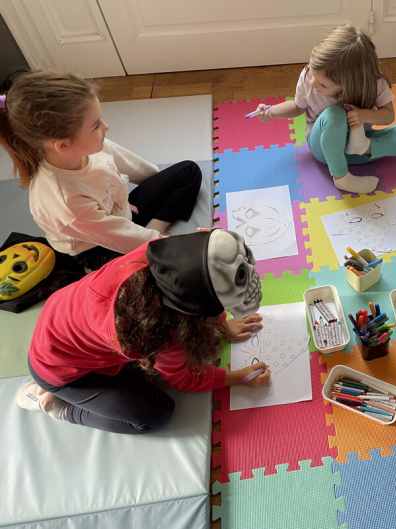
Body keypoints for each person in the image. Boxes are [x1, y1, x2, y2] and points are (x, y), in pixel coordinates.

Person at [16, 230, 268, 434]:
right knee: (154, 415)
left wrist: (225, 325)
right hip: (57, 370)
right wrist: (235, 378)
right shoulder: (162, 337)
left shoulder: (161, 252)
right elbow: (184, 378)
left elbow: (198, 289)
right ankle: (58, 407)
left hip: (62, 320)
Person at [0, 71, 203, 271]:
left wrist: (158, 187)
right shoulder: (65, 202)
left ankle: (152, 231)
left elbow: (135, 166)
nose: (106, 127)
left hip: (120, 213)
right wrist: (171, 246)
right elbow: (116, 234)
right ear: (63, 146)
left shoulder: (88, 146)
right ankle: (149, 242)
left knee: (188, 171)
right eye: (96, 125)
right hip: (97, 247)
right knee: (152, 274)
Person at [256, 24, 396, 194]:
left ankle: (365, 147)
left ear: (348, 84)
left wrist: (365, 116)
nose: (313, 84)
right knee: (334, 114)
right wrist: (271, 112)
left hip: (357, 148)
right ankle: (342, 177)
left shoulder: (373, 83)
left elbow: (388, 116)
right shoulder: (310, 77)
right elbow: (297, 107)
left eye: (322, 84)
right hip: (324, 149)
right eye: (314, 77)